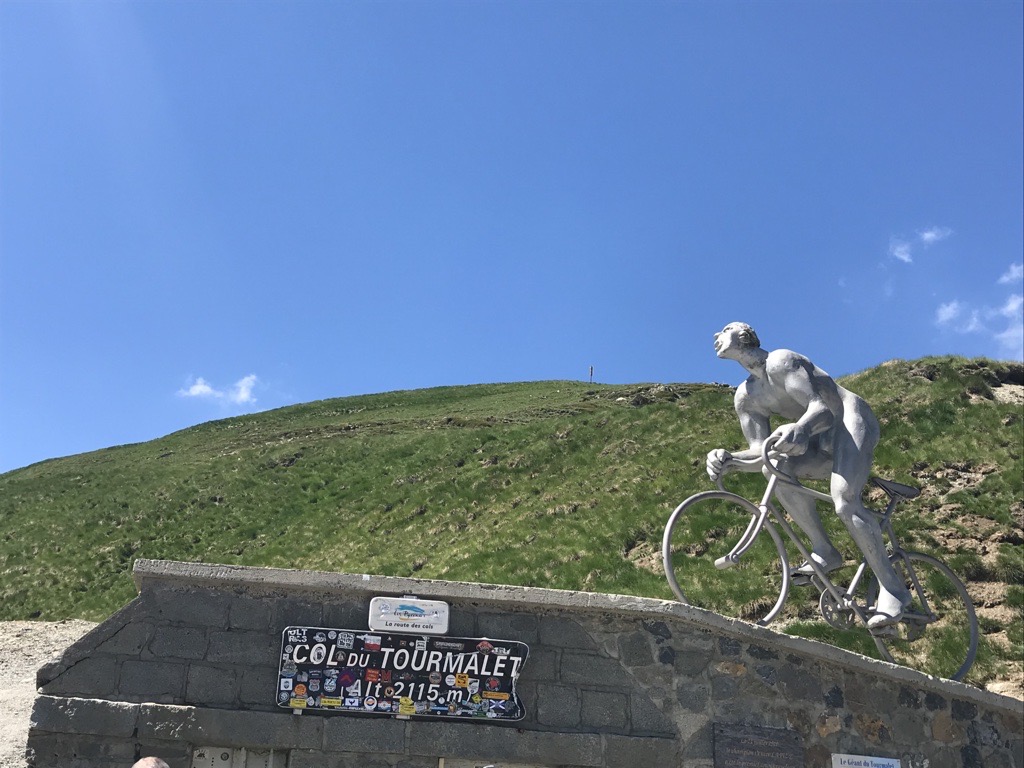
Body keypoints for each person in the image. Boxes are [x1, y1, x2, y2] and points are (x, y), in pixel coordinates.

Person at [705, 322, 911, 629]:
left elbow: (825, 408)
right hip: (814, 438)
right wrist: (729, 459)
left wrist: (800, 428)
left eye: (724, 329)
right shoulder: (746, 396)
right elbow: (760, 451)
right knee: (773, 466)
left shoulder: (781, 360)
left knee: (844, 503)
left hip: (848, 421)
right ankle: (824, 550)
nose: (715, 336)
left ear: (744, 335)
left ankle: (894, 591)